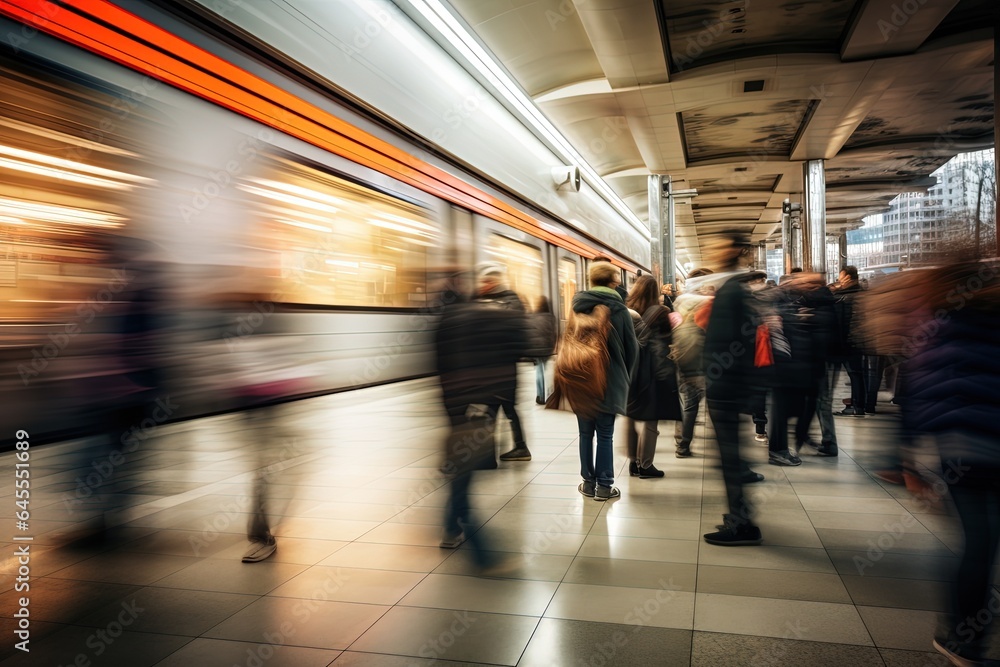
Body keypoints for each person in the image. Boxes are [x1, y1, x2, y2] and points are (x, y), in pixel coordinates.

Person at [905, 261, 1000, 666]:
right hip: (987, 438)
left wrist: (906, 456)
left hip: (959, 445)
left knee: (977, 539)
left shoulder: (935, 329)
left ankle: (964, 637)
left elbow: (914, 391)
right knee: (982, 540)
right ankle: (966, 636)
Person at [551, 261, 638, 501]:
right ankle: (604, 486)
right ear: (614, 281)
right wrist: (625, 376)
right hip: (609, 379)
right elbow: (632, 350)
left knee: (585, 434)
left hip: (581, 379)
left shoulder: (577, 306)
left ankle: (587, 483)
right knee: (606, 435)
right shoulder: (619, 309)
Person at [701, 232, 764, 546]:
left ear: (736, 250)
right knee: (728, 456)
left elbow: (732, 344)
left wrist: (716, 379)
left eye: (719, 244)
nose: (713, 250)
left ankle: (741, 524)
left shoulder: (732, 292)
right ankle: (740, 518)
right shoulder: (735, 290)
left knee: (727, 456)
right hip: (727, 386)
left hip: (725, 387)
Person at [473, 263, 531, 461]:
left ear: (495, 282)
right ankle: (512, 448)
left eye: (487, 281)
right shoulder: (485, 300)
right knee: (499, 407)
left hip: (503, 366)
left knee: (501, 407)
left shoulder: (509, 301)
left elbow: (514, 333)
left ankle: (496, 452)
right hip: (491, 367)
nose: (483, 285)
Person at [624, 275, 680, 478]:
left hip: (629, 370)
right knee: (650, 419)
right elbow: (662, 346)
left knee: (631, 416)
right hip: (650, 371)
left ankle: (633, 461)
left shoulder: (626, 310)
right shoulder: (659, 313)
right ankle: (646, 465)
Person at [671, 268, 714, 458]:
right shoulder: (706, 304)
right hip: (702, 362)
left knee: (689, 405)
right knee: (703, 405)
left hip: (683, 359)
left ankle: (682, 443)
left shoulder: (680, 302)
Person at [833, 265, 868, 417]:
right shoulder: (861, 293)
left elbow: (843, 321)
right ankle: (858, 406)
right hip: (859, 339)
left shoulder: (845, 296)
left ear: (847, 277)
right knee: (857, 374)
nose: (839, 279)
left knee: (853, 374)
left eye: (840, 276)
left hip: (847, 340)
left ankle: (856, 406)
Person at [526, 296, 558, 404]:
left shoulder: (533, 316)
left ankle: (540, 394)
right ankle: (544, 395)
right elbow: (553, 333)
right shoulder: (550, 317)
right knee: (544, 370)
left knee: (539, 370)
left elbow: (530, 332)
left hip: (535, 347)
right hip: (546, 347)